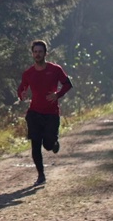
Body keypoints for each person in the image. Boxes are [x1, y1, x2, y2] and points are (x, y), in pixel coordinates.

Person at [17, 40, 73, 185]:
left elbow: (68, 84)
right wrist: (22, 95)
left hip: (51, 114)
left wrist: (57, 95)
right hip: (34, 113)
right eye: (35, 52)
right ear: (32, 53)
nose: (37, 54)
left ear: (45, 53)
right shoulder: (28, 73)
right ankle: (40, 175)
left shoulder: (55, 69)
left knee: (47, 145)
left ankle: (53, 143)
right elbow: (21, 88)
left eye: (40, 51)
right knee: (35, 144)